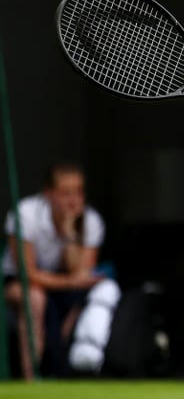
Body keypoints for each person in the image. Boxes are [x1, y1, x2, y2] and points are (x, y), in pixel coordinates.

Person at [2, 162, 121, 379]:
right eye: (65, 193)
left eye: (78, 192)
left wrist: (69, 234)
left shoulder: (90, 220)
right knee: (36, 299)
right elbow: (28, 273)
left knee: (95, 296)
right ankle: (31, 377)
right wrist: (71, 282)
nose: (73, 200)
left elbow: (81, 274)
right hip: (21, 283)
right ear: (48, 193)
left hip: (63, 287)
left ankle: (69, 369)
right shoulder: (25, 215)